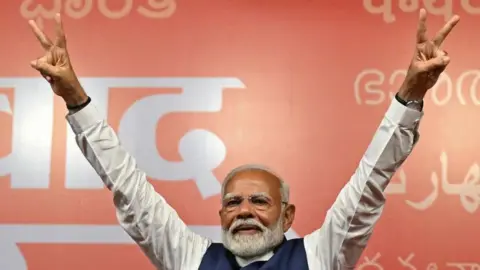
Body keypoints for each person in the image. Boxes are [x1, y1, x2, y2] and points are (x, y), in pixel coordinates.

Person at [27, 9, 459, 270]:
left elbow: (370, 181)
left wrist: (411, 95)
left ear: (288, 216)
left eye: (259, 201)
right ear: (219, 214)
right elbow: (127, 185)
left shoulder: (321, 254)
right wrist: (74, 97)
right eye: (233, 203)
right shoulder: (190, 258)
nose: (244, 211)